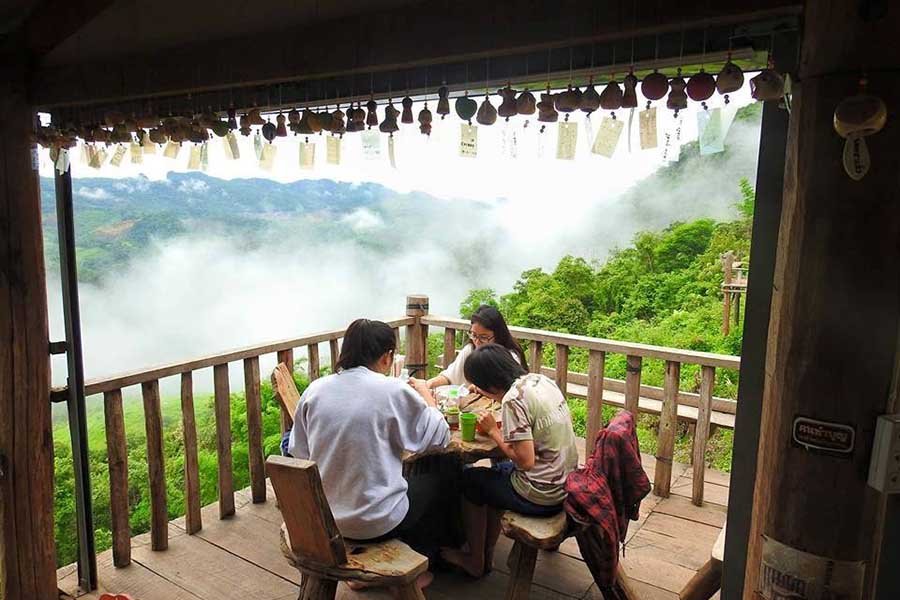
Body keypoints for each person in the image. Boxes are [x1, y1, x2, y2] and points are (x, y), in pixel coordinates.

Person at [287, 318, 450, 587]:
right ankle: (416, 570)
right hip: (376, 523)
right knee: (442, 478)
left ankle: (368, 573)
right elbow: (439, 436)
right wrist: (427, 397)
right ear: (387, 357)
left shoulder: (315, 390)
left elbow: (299, 451)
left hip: (324, 520)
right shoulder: (392, 390)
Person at [441, 344, 579, 578]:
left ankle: (474, 560)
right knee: (493, 476)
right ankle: (487, 552)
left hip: (542, 494)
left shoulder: (513, 400)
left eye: (481, 387)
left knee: (470, 482)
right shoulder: (540, 381)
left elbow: (525, 462)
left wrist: (493, 431)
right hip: (566, 482)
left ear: (490, 384)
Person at [420, 305, 528, 390]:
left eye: (484, 337)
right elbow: (449, 376)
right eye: (474, 335)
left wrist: (479, 389)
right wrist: (429, 384)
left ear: (498, 335)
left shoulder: (510, 357)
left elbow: (511, 391)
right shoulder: (470, 350)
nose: (477, 341)